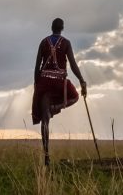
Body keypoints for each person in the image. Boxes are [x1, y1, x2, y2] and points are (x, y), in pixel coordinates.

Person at [32, 17, 86, 166]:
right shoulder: (66, 43)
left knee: (45, 121)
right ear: (62, 28)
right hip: (59, 83)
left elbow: (37, 67)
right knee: (75, 96)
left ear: (51, 27)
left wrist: (37, 86)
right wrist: (82, 80)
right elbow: (73, 65)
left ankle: (46, 156)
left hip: (44, 82)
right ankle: (54, 108)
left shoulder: (43, 42)